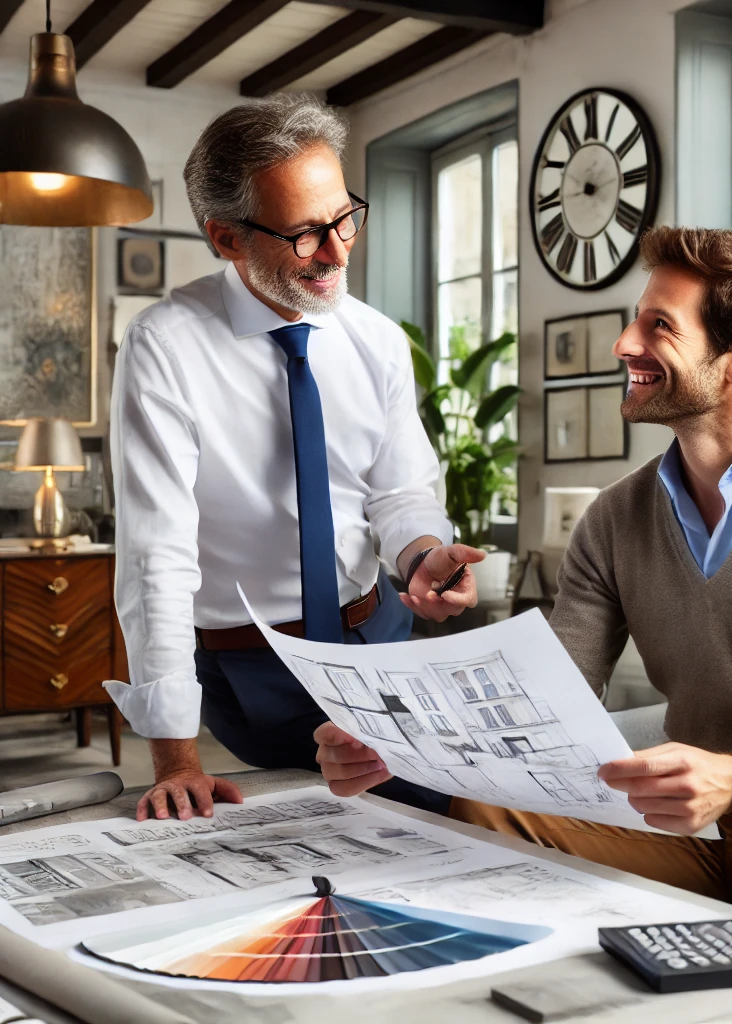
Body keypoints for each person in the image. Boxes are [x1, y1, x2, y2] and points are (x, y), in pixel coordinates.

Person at [315, 226, 732, 958]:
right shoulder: (614, 518)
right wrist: (406, 747)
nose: (625, 344)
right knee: (488, 810)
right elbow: (543, 702)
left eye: (659, 325)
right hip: (690, 830)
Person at [107, 95, 481, 823]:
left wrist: (423, 554)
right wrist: (174, 760)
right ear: (225, 237)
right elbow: (158, 556)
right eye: (308, 234)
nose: (340, 252)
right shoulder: (165, 346)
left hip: (378, 642)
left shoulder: (374, 340)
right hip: (253, 669)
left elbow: (399, 492)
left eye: (345, 218)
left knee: (456, 821)